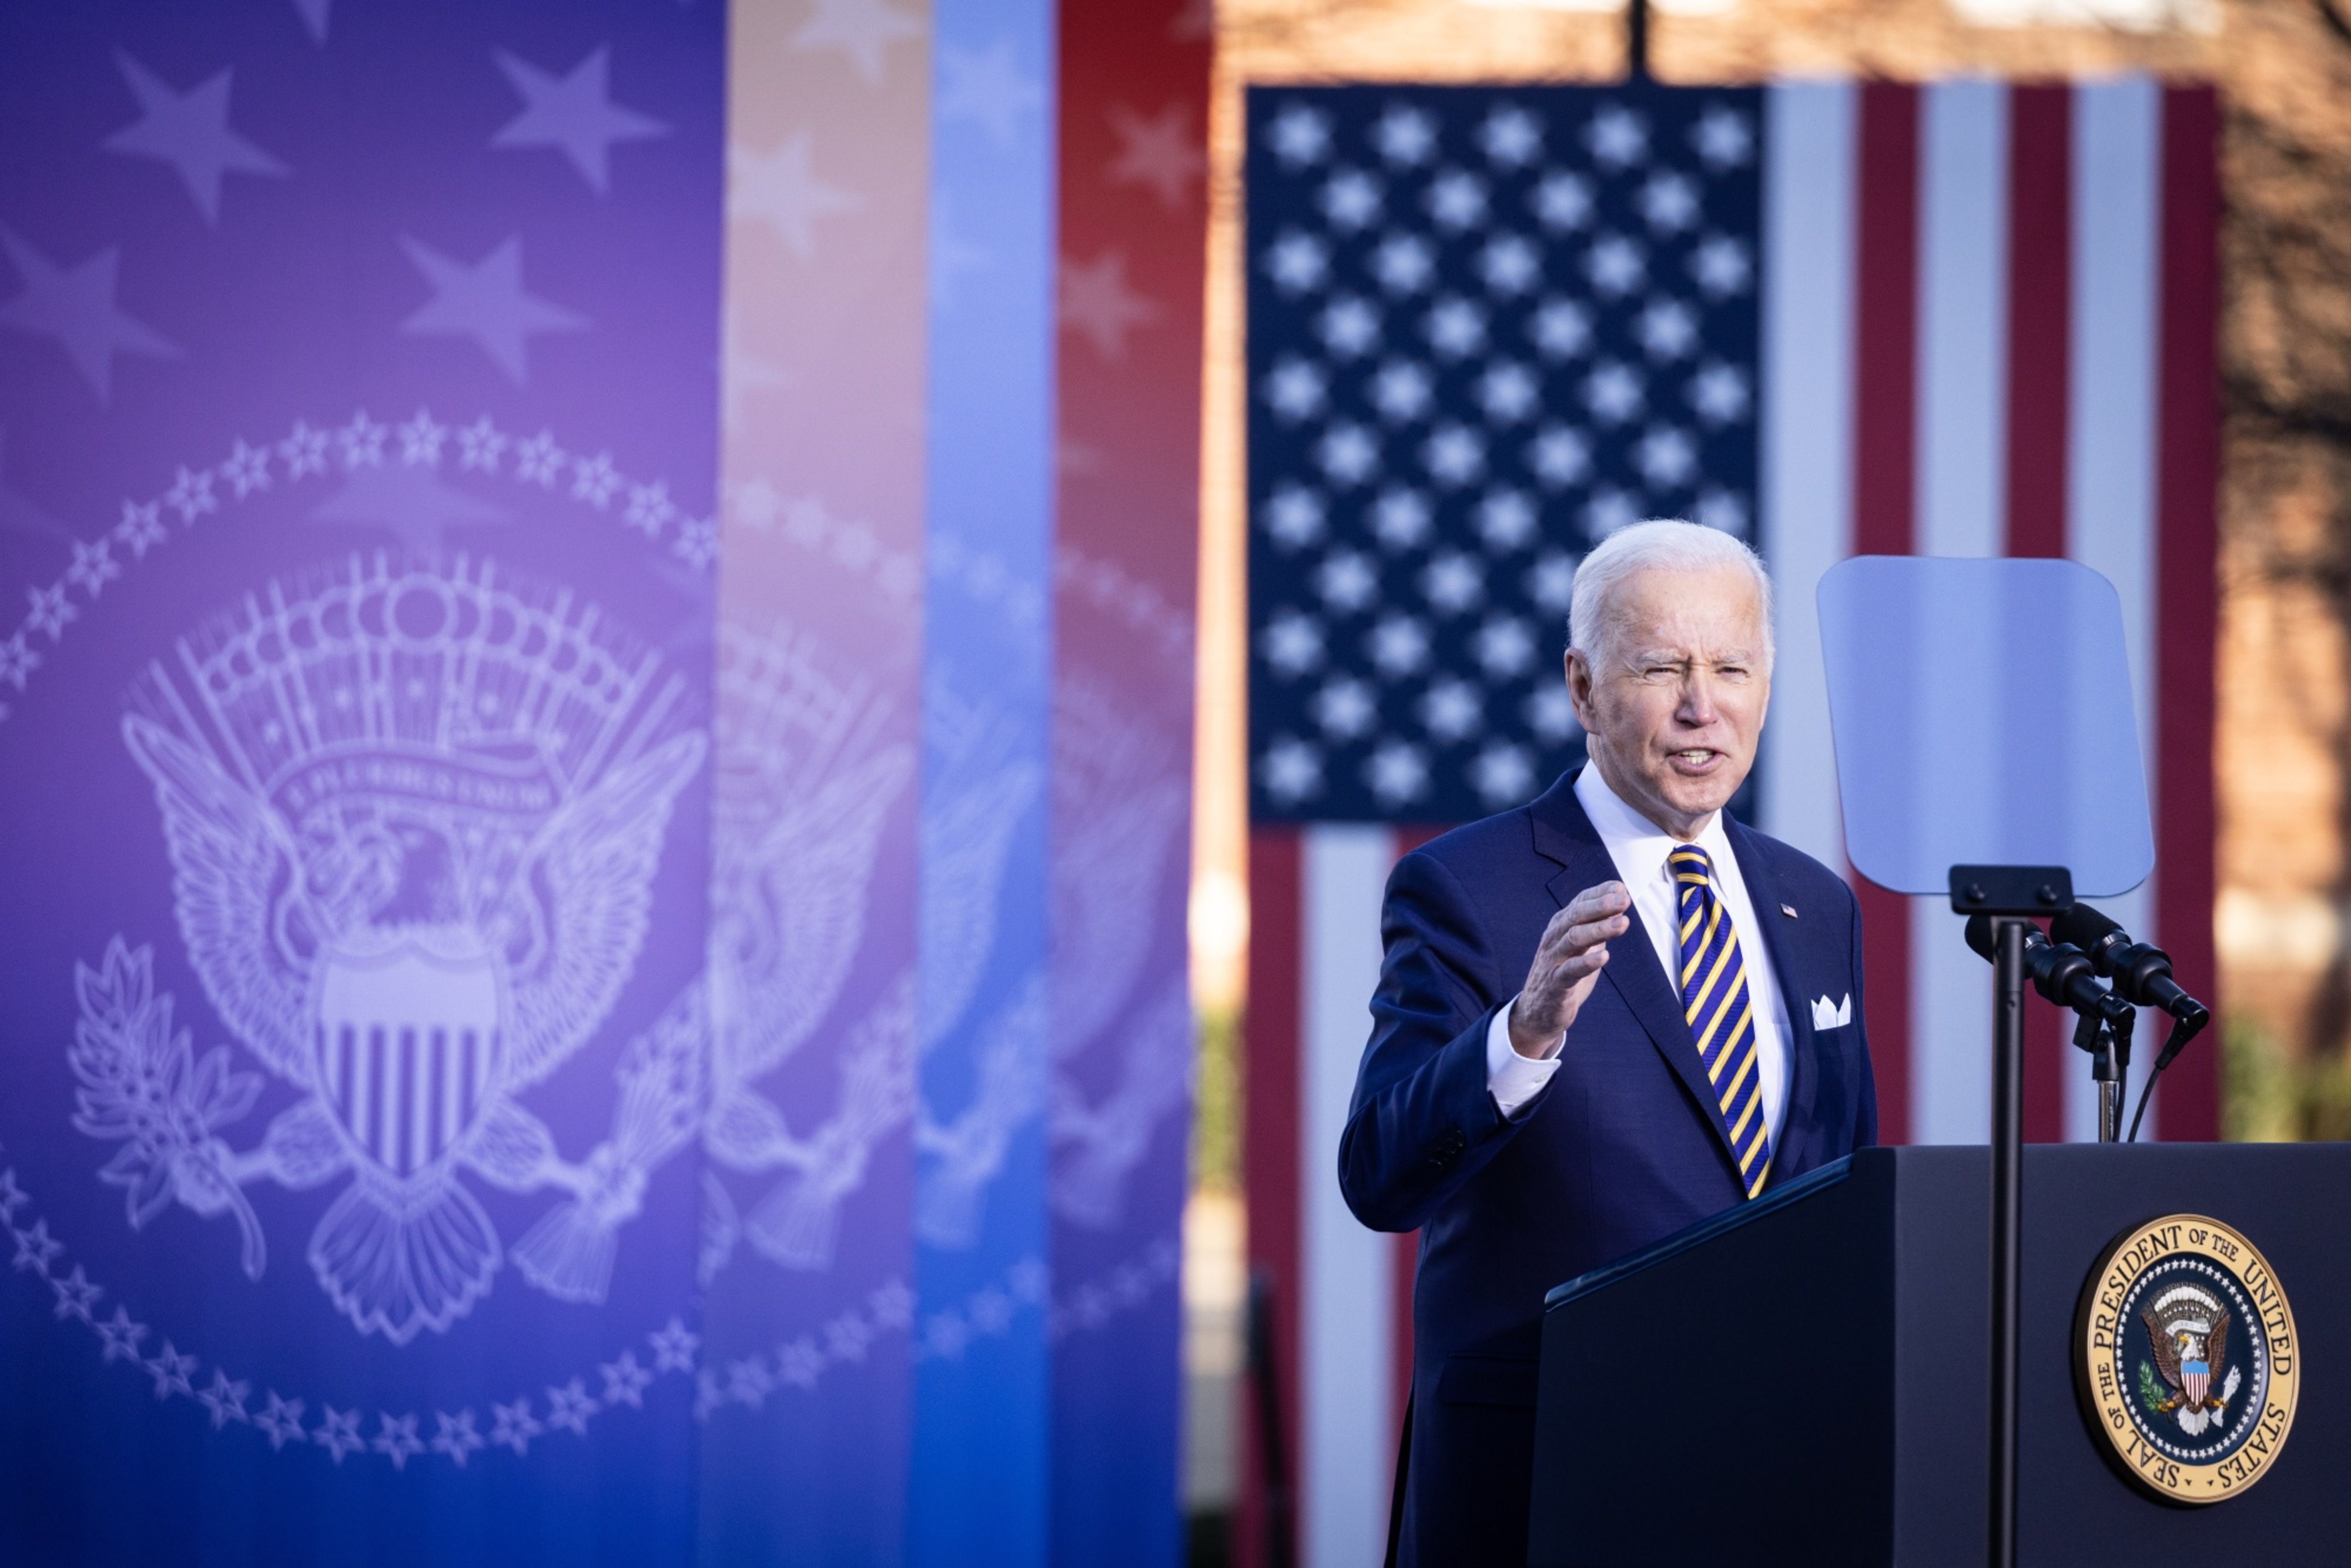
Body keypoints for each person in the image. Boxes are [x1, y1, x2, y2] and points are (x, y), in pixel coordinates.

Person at [1339, 518, 1878, 1567]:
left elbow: (1843, 1191)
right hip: (1550, 1478)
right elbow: (1379, 1176)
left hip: (1772, 1478)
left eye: (1731, 667)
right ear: (1583, 688)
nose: (1701, 705)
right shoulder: (1470, 891)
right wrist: (1521, 1036)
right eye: (1662, 667)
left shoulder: (1819, 905)